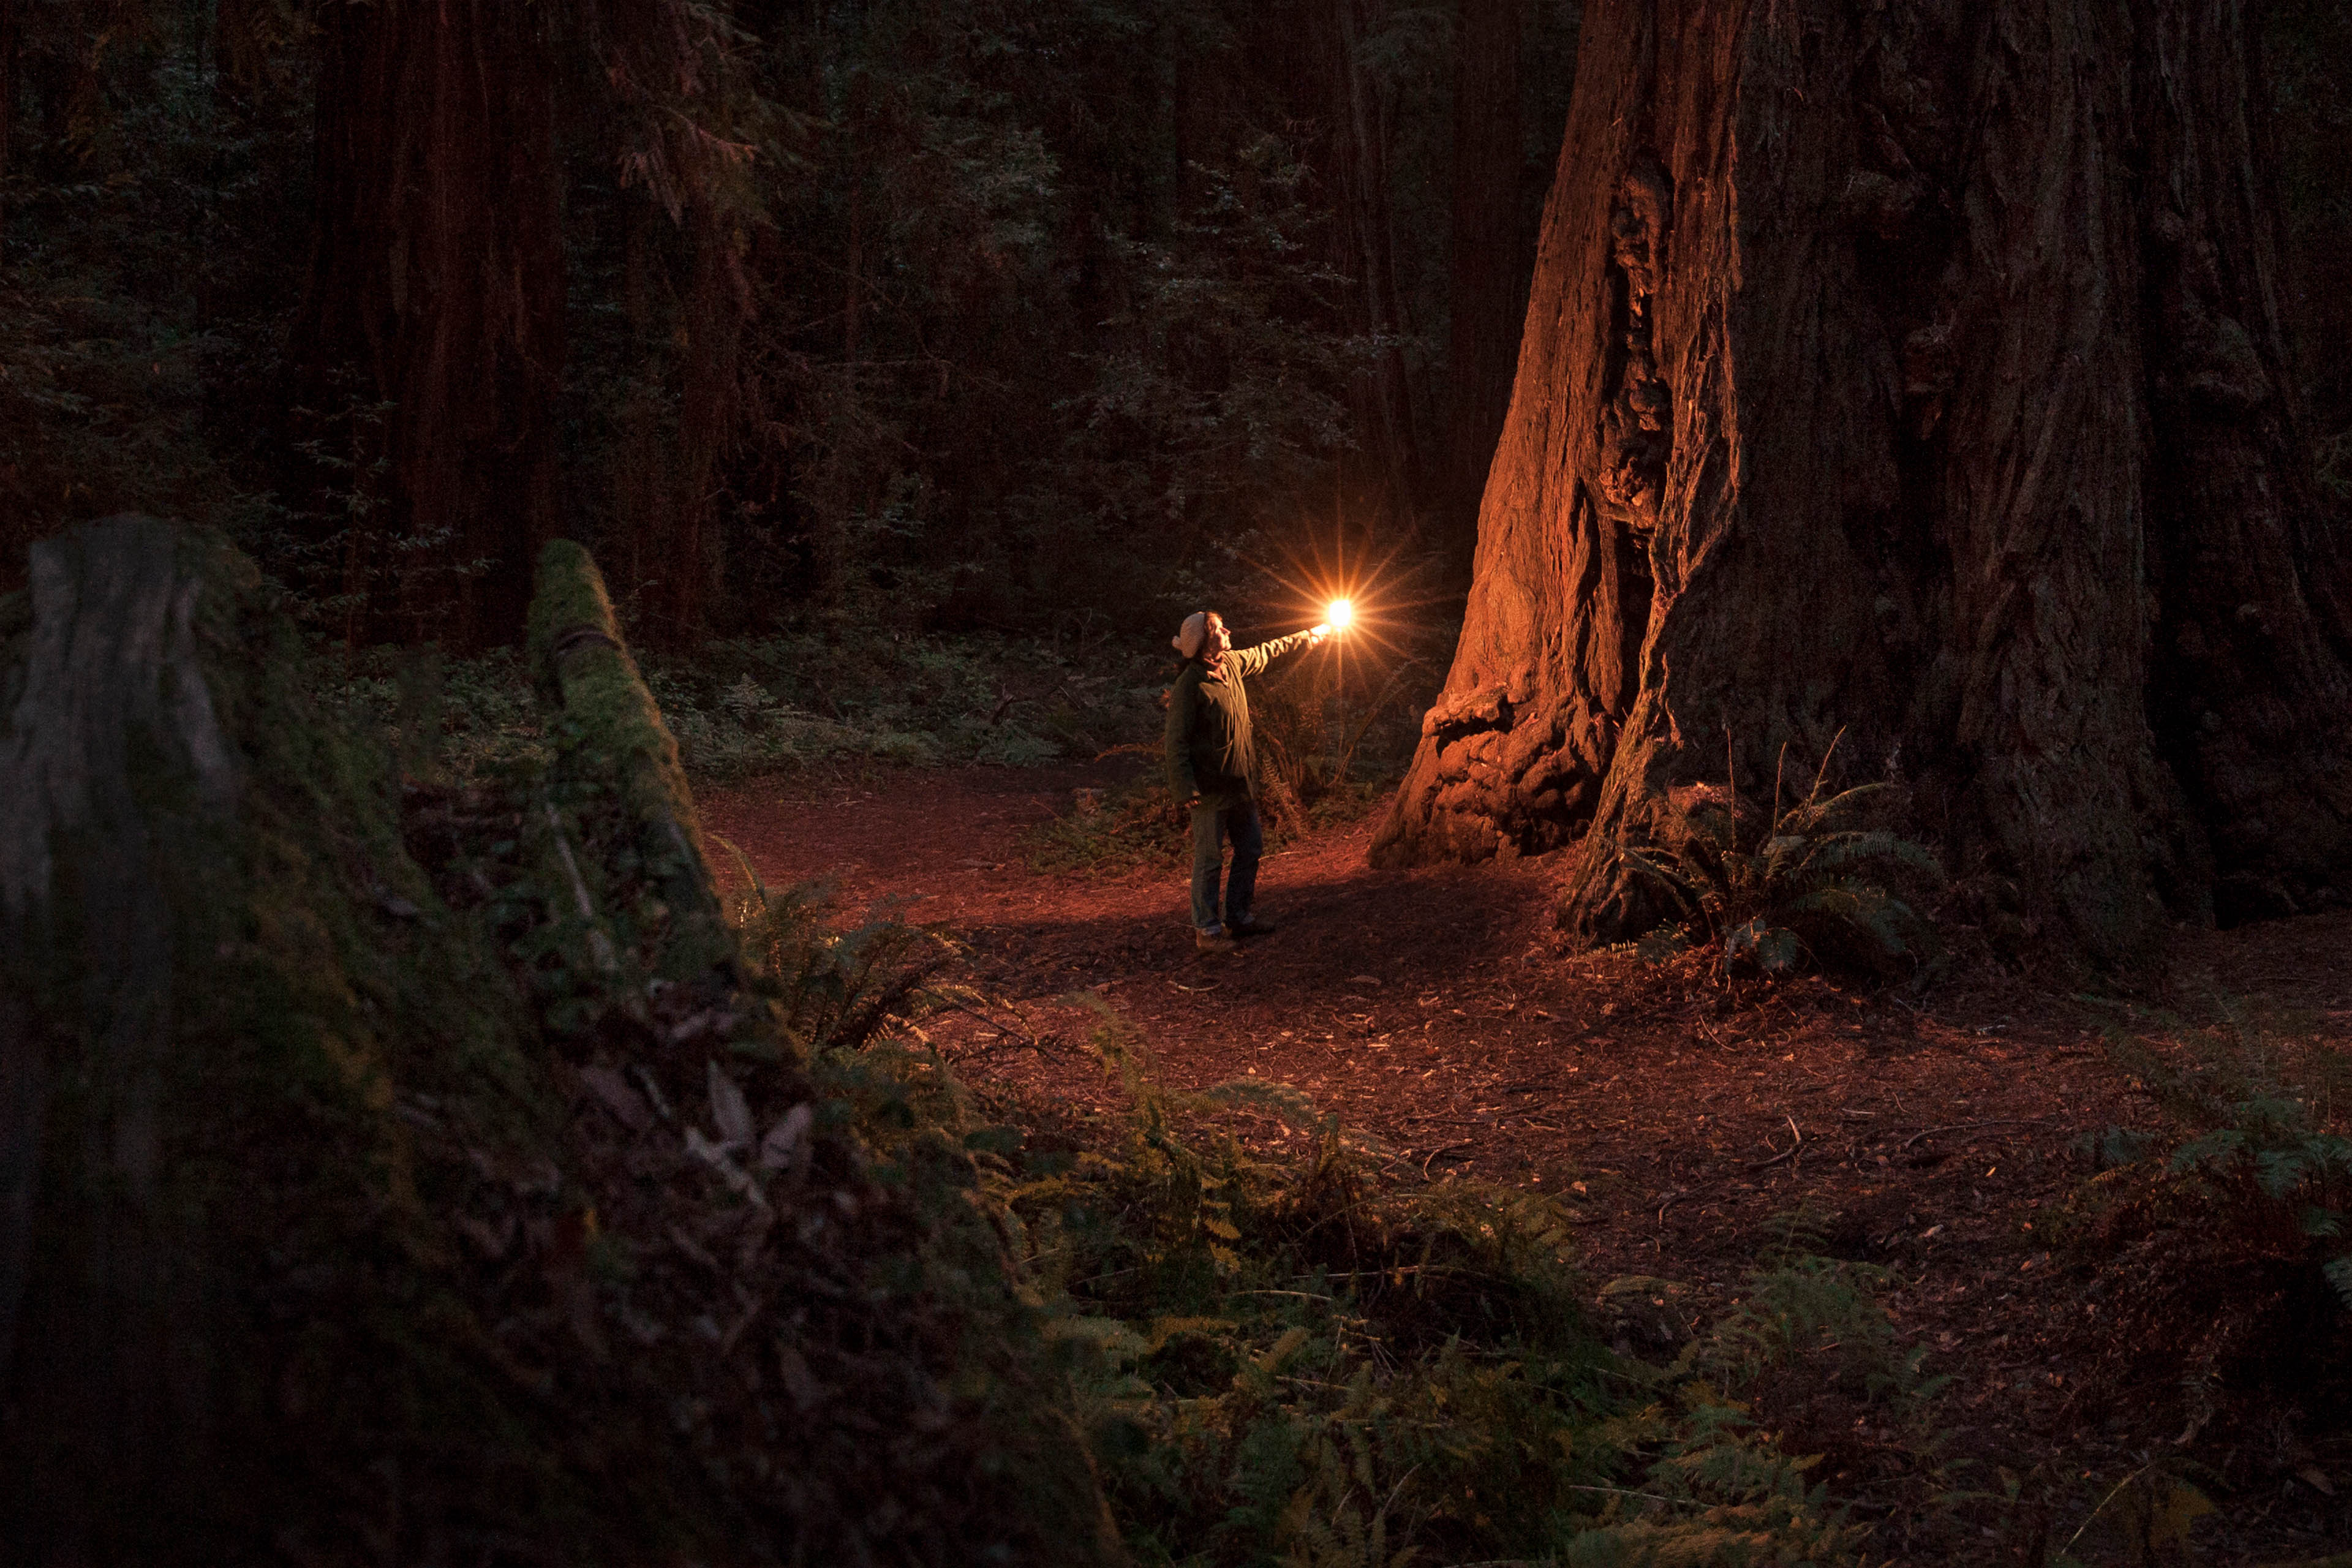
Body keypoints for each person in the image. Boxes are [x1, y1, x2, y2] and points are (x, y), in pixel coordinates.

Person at [1164, 609, 1326, 952]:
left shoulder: (1233, 663)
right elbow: (1176, 741)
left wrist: (1311, 635)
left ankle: (1238, 917)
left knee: (1251, 848)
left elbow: (1269, 651)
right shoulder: (1190, 685)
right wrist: (1185, 787)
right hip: (1209, 790)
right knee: (1209, 859)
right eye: (1220, 629)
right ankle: (1206, 931)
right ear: (1206, 642)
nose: (1228, 630)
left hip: (1240, 784)